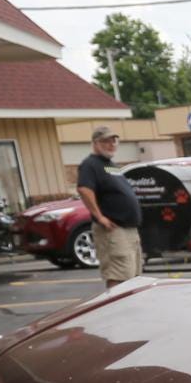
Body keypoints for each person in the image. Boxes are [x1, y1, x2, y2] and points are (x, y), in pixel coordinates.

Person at [76, 124, 141, 289]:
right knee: (118, 274)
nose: (111, 145)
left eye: (114, 141)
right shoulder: (90, 164)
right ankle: (116, 309)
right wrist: (100, 217)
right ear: (96, 143)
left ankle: (130, 310)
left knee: (132, 274)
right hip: (113, 229)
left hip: (129, 228)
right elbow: (84, 189)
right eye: (106, 141)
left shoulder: (110, 164)